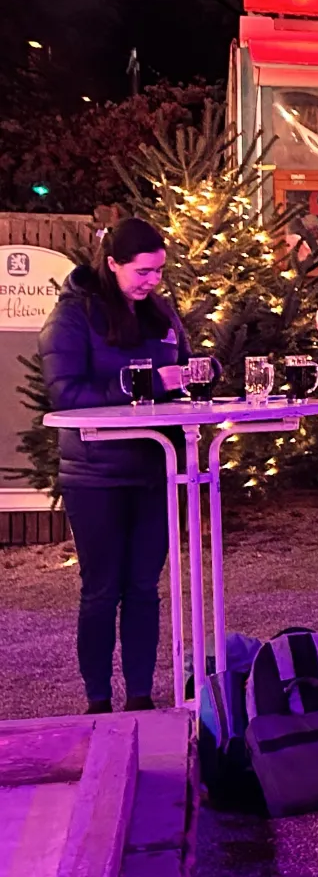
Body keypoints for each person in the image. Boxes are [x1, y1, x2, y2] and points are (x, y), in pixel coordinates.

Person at [38, 218, 192, 714]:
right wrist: (141, 384)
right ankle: (98, 699)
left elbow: (181, 368)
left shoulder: (159, 313)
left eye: (159, 271)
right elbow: (65, 394)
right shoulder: (73, 315)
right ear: (112, 264)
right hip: (95, 473)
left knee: (144, 588)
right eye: (143, 272)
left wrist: (195, 376)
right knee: (102, 589)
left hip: (154, 467)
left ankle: (141, 695)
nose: (153, 281)